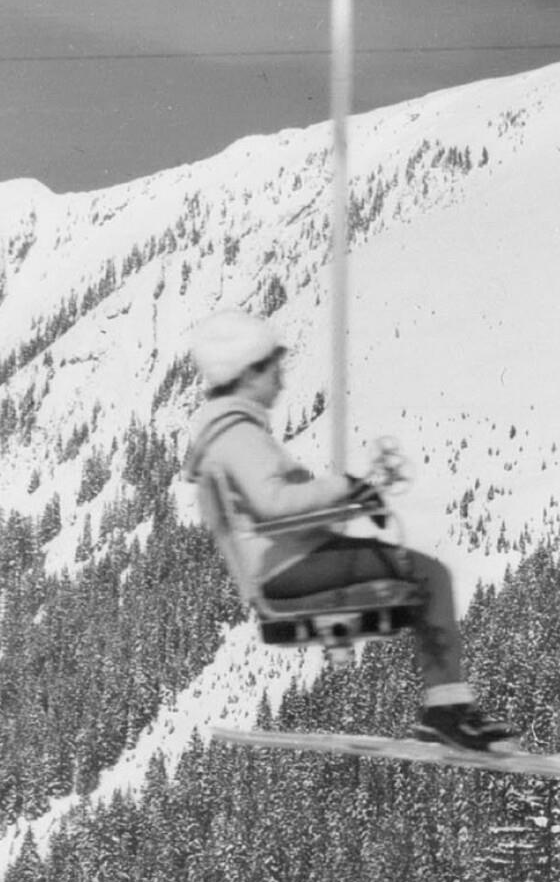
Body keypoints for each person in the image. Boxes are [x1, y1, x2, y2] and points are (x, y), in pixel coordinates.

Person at [179, 309, 513, 752]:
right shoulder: (236, 434)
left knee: (417, 585)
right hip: (288, 568)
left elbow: (268, 512)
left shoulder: (226, 431)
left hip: (284, 560)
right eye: (274, 370)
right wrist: (345, 488)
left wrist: (351, 498)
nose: (280, 381)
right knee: (429, 577)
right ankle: (446, 711)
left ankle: (446, 706)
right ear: (249, 372)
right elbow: (273, 505)